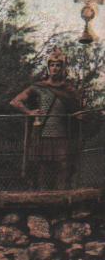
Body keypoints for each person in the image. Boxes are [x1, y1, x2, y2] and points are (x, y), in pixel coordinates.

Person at [10, 47, 85, 190]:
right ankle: (42, 198)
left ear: (62, 68)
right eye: (52, 65)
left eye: (58, 65)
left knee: (63, 165)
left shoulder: (68, 89)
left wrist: (76, 116)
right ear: (48, 67)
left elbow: (76, 110)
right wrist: (28, 112)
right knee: (42, 166)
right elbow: (15, 101)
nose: (55, 68)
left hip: (61, 132)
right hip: (42, 131)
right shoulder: (39, 87)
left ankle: (61, 199)